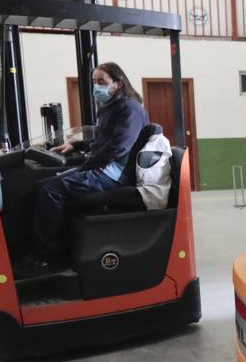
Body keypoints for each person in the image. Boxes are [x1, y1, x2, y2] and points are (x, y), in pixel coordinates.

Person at [18, 61, 149, 275]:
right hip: (104, 167)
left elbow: (118, 147)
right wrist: (75, 145)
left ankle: (45, 258)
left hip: (115, 173)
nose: (96, 86)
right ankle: (54, 249)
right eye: (94, 81)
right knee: (38, 186)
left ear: (118, 83)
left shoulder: (130, 108)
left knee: (50, 192)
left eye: (101, 81)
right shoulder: (110, 108)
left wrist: (86, 167)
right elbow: (102, 140)